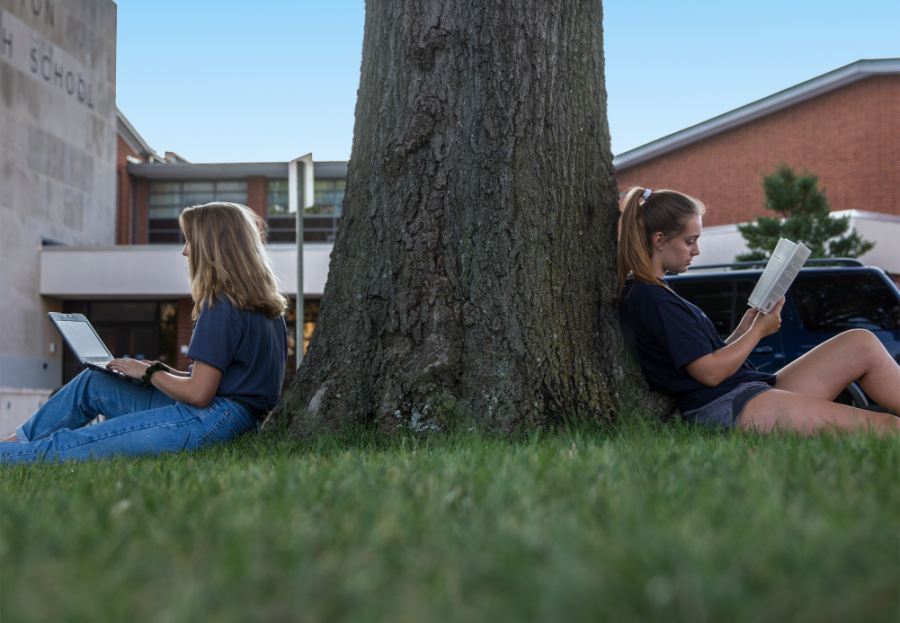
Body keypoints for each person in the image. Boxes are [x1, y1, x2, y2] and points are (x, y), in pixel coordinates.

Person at [1, 202, 288, 462]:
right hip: (231, 417)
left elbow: (200, 393)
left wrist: (149, 373)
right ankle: (12, 444)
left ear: (212, 246)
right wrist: (162, 370)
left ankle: (8, 456)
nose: (185, 251)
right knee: (94, 382)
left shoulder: (221, 304)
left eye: (190, 241)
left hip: (213, 421)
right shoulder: (266, 308)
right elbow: (223, 383)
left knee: (72, 444)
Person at [616, 187, 900, 436]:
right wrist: (758, 332)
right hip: (729, 407)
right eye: (690, 241)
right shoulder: (651, 298)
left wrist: (743, 329)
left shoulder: (656, 292)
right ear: (659, 240)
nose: (697, 250)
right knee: (887, 428)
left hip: (745, 391)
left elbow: (700, 361)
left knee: (860, 342)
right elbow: (710, 375)